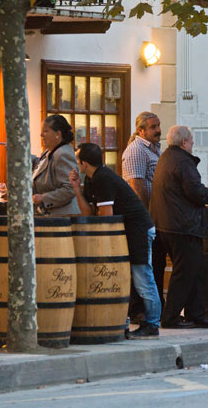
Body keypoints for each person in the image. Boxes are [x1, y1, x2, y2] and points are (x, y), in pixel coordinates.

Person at [69, 143, 162, 339]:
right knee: (131, 278)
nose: (77, 165)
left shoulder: (103, 178)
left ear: (84, 163)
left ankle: (152, 324)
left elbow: (106, 217)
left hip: (139, 229)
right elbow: (88, 212)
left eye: (78, 161)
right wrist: (77, 189)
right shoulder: (92, 178)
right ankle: (132, 320)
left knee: (143, 276)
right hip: (126, 231)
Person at [150, 125, 208, 329]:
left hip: (166, 223)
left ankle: (196, 314)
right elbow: (194, 192)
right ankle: (171, 317)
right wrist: (207, 193)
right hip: (182, 225)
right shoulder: (183, 162)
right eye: (191, 140)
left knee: (196, 269)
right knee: (185, 271)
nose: (193, 143)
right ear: (184, 142)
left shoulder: (166, 158)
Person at [122, 112, 163, 319]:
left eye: (158, 126)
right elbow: (136, 187)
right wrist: (147, 217)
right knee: (142, 265)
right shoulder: (137, 150)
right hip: (144, 219)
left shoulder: (154, 149)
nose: (158, 130)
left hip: (156, 216)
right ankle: (139, 311)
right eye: (153, 127)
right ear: (141, 130)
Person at [32, 115, 81, 215]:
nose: (41, 135)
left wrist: (43, 198)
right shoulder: (50, 151)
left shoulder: (63, 154)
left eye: (45, 131)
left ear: (58, 134)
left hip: (62, 220)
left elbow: (70, 189)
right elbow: (40, 165)